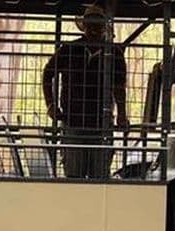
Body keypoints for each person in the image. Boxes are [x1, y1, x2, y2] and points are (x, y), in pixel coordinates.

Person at [42, 3, 127, 179]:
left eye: (97, 24)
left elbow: (119, 87)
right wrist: (51, 104)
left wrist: (121, 114)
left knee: (100, 176)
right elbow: (47, 74)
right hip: (73, 121)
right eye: (90, 24)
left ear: (104, 27)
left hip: (101, 123)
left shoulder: (115, 53)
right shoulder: (69, 49)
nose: (94, 29)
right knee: (74, 175)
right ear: (85, 26)